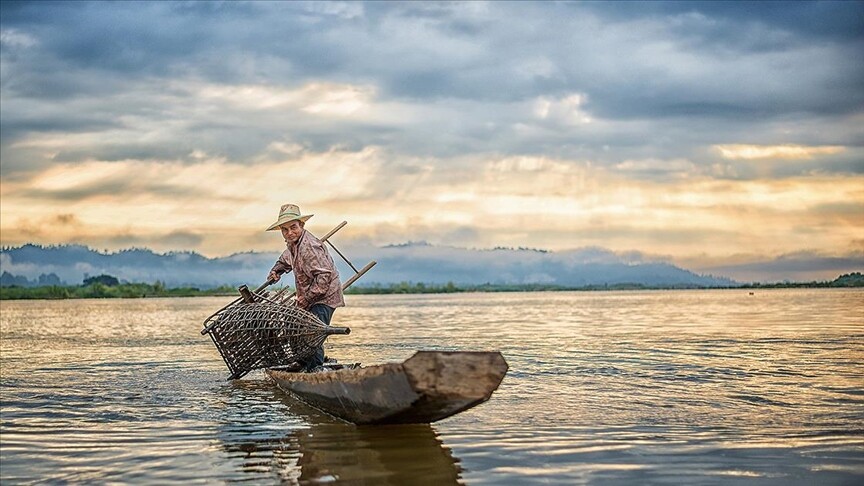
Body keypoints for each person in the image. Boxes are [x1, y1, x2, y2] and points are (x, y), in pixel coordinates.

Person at [266, 204, 345, 372]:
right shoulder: (292, 244)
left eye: (293, 227)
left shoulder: (309, 246)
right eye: (285, 229)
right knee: (299, 327)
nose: (289, 232)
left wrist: (306, 298)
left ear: (301, 226)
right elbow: (285, 259)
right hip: (311, 295)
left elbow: (324, 278)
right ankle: (303, 363)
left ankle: (316, 369)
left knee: (313, 332)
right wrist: (276, 270)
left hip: (325, 296)